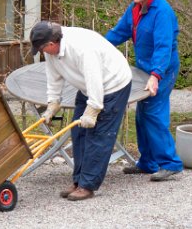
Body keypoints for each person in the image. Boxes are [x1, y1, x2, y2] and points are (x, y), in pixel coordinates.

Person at [30, 21, 132, 201]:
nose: (42, 52)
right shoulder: (52, 49)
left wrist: (93, 109)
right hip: (88, 88)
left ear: (52, 44)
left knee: (98, 135)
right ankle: (78, 181)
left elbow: (95, 78)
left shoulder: (82, 48)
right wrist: (53, 102)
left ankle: (87, 185)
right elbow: (53, 75)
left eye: (42, 49)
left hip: (112, 85)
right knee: (78, 131)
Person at [105, 0, 183, 181]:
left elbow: (163, 47)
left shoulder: (163, 12)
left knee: (153, 113)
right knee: (142, 114)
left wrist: (155, 76)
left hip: (163, 69)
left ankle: (170, 163)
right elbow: (119, 33)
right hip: (144, 68)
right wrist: (98, 46)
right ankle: (148, 163)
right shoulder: (135, 9)